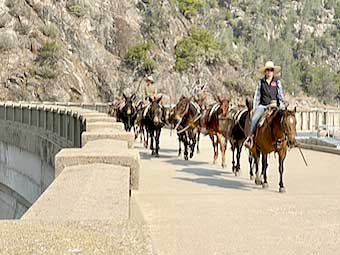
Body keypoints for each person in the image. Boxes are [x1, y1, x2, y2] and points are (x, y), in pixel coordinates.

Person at [244, 61, 285, 149]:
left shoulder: (277, 82)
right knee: (254, 119)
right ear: (265, 71)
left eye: (271, 70)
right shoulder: (261, 82)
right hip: (263, 106)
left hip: (275, 106)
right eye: (268, 70)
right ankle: (250, 138)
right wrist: (254, 108)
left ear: (273, 71)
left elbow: (280, 95)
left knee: (284, 119)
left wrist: (281, 105)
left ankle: (287, 139)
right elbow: (257, 96)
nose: (269, 71)